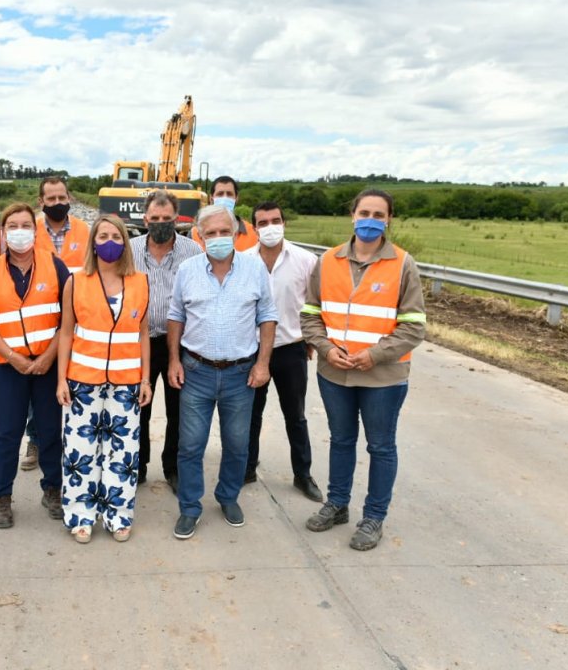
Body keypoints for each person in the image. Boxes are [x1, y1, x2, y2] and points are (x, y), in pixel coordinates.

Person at [301, 189, 426, 551]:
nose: (370, 219)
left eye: (379, 213)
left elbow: (414, 325)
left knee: (381, 446)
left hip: (382, 378)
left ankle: (373, 517)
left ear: (388, 220)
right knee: (341, 441)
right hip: (335, 373)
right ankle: (337, 504)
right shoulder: (327, 261)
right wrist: (326, 348)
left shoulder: (403, 264)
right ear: (352, 215)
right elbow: (310, 315)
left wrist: (376, 355)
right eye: (364, 212)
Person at [167, 204, 278, 540]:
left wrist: (263, 364)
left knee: (237, 444)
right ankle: (189, 507)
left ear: (236, 233)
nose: (218, 238)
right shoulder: (187, 270)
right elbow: (176, 317)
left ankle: (228, 497)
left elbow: (267, 317)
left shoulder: (254, 268)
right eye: (210, 233)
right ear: (199, 236)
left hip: (240, 374)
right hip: (196, 371)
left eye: (224, 232)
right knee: (190, 445)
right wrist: (173, 360)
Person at [0, 202, 71, 528]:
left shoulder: (55, 267)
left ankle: (53, 490)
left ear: (35, 229)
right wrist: (13, 357)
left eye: (25, 224)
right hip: (8, 367)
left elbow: (67, 320)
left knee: (49, 431)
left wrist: (47, 358)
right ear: (3, 233)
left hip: (47, 366)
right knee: (8, 433)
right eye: (12, 225)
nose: (19, 231)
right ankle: (1, 497)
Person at [57, 214, 152, 543]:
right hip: (83, 379)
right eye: (102, 236)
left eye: (115, 236)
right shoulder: (76, 281)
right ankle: (80, 514)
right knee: (80, 448)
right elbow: (66, 333)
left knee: (123, 450)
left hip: (127, 380)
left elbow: (142, 334)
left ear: (125, 242)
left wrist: (145, 380)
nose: (109, 242)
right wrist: (61, 380)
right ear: (93, 243)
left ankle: (117, 514)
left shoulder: (140, 280)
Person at [243, 202, 323, 501]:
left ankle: (303, 475)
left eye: (275, 220)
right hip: (251, 350)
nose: (270, 227)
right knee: (251, 415)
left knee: (296, 415)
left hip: (291, 349)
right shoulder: (243, 261)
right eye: (263, 222)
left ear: (284, 223)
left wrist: (312, 340)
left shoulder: (306, 260)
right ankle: (247, 468)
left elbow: (316, 304)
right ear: (254, 228)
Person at [128, 190, 203, 490]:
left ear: (177, 219)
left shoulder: (193, 251)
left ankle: (172, 467)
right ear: (145, 219)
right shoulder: (129, 250)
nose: (160, 223)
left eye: (166, 218)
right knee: (139, 408)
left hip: (178, 344)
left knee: (178, 410)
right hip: (138, 343)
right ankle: (139, 465)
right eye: (154, 218)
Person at [21, 176, 92, 471]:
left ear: (69, 198)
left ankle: (67, 440)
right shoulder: (30, 231)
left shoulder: (84, 230)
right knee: (39, 386)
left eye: (61, 197)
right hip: (41, 318)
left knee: (72, 381)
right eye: (50, 199)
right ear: (41, 202)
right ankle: (36, 440)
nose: (57, 203)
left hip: (78, 319)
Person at [190, 175, 258, 252]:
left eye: (229, 194)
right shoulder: (195, 233)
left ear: (236, 198)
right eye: (220, 194)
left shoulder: (253, 232)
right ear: (211, 198)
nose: (225, 197)